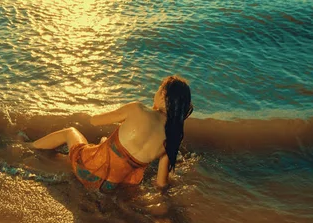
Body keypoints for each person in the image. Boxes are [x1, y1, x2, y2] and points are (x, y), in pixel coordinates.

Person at [32, 75, 193, 190]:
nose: (155, 94)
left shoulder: (137, 109)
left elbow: (95, 120)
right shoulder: (172, 138)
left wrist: (123, 117)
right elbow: (161, 183)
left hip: (87, 170)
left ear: (163, 94)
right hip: (109, 188)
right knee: (104, 143)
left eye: (158, 90)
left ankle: (29, 146)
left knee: (70, 132)